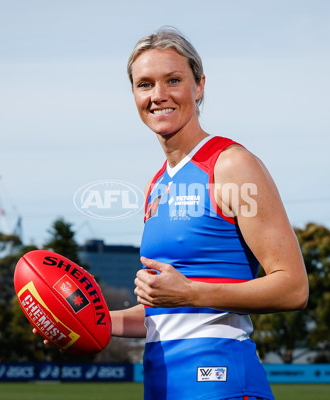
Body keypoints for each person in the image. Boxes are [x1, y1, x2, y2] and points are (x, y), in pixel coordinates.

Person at [35, 26, 308, 399]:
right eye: (144, 84)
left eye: (173, 80)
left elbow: (293, 288)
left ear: (199, 87)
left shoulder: (231, 165)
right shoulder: (157, 187)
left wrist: (192, 293)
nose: (158, 96)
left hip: (220, 380)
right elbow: (163, 313)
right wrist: (81, 322)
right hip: (162, 383)